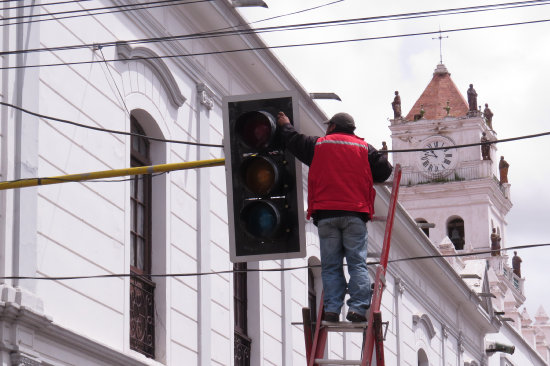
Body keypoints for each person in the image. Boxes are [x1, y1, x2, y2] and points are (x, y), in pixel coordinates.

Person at [276, 111, 393, 322]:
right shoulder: (363, 149)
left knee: (330, 265)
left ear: (331, 127)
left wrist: (285, 124)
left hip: (327, 214)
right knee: (357, 263)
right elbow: (385, 170)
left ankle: (331, 309)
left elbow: (293, 141)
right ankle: (357, 308)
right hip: (355, 214)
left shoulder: (318, 145)